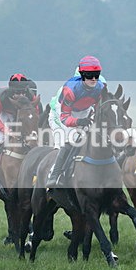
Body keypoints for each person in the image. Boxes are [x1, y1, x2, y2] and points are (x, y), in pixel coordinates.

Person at [46, 55, 105, 187]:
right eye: (90, 75)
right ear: (82, 75)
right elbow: (65, 117)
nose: (94, 79)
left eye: (97, 74)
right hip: (61, 112)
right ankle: (55, 175)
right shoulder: (70, 90)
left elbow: (98, 108)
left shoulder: (100, 87)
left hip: (84, 110)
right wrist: (79, 122)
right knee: (71, 139)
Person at [0, 73, 41, 182]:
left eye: (23, 92)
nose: (21, 95)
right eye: (17, 92)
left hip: (22, 116)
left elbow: (34, 114)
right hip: (4, 116)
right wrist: (5, 130)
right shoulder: (0, 96)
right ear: (11, 90)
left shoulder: (31, 96)